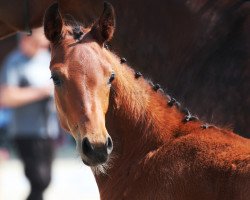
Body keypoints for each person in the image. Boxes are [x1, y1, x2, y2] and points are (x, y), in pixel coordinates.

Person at [0, 28, 59, 200]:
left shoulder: (47, 59)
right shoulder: (14, 62)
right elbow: (7, 96)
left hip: (48, 129)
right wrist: (40, 92)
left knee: (45, 180)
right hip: (25, 131)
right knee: (39, 179)